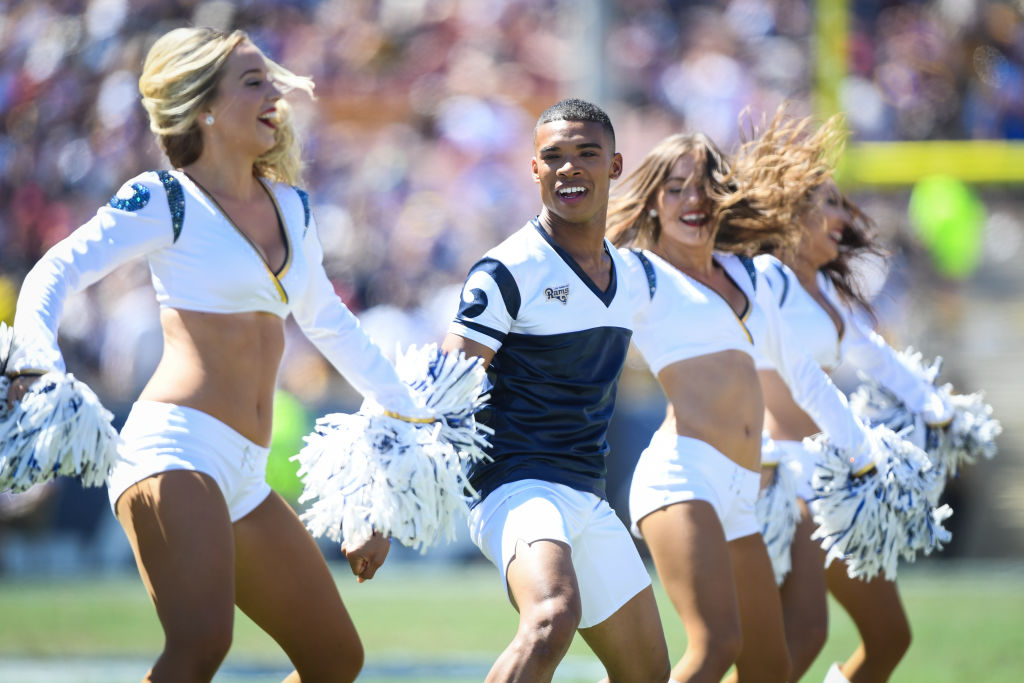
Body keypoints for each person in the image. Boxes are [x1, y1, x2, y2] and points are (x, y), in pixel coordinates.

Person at [8, 27, 430, 683]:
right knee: (201, 643)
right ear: (202, 107)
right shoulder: (164, 199)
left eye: (271, 80)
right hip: (172, 449)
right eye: (253, 82)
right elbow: (53, 271)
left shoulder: (293, 208)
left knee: (334, 659)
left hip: (245, 473)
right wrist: (35, 358)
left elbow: (333, 326)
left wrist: (411, 424)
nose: (276, 96)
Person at [605, 114, 885, 683]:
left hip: (743, 488)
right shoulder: (639, 274)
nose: (693, 200)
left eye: (706, 188)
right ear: (654, 202)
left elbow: (802, 374)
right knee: (716, 645)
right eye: (676, 188)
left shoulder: (748, 273)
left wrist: (863, 452)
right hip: (681, 478)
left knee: (769, 667)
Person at [441, 98, 671, 683]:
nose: (569, 167)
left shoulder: (632, 275)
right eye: (554, 156)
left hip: (588, 497)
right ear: (534, 170)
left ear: (615, 166)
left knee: (648, 674)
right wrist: (379, 513)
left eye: (586, 154)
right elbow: (442, 392)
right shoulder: (507, 270)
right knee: (550, 618)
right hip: (516, 486)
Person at [755, 182, 952, 683]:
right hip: (780, 476)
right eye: (831, 204)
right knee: (798, 639)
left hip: (837, 477)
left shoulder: (826, 291)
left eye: (845, 204)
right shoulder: (766, 277)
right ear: (792, 212)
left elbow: (877, 358)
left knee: (888, 637)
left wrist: (940, 412)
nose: (845, 218)